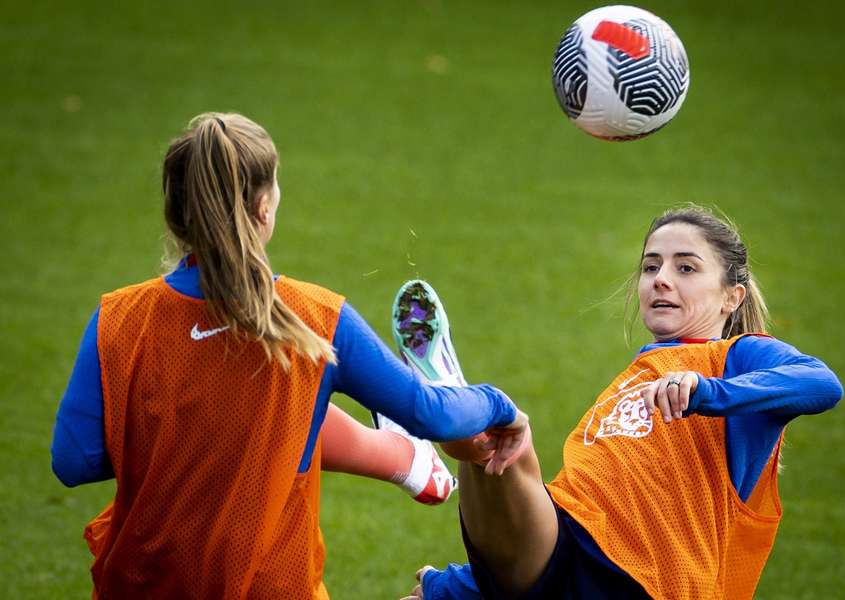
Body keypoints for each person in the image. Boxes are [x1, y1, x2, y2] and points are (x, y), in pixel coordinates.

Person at [50, 112, 529, 599]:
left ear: (174, 212)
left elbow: (73, 461)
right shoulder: (313, 317)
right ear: (264, 208)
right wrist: (496, 404)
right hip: (273, 588)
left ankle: (395, 454)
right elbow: (434, 415)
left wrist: (182, 438)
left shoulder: (120, 317)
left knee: (269, 415)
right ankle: (397, 453)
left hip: (139, 586)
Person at [400, 207, 843, 600]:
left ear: (732, 296)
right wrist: (456, 585)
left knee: (503, 431)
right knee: (499, 442)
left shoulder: (735, 357)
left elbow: (821, 382)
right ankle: (450, 414)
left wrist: (709, 392)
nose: (661, 278)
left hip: (646, 581)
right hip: (562, 552)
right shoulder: (632, 378)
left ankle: (434, 414)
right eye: (651, 266)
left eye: (686, 268)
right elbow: (583, 506)